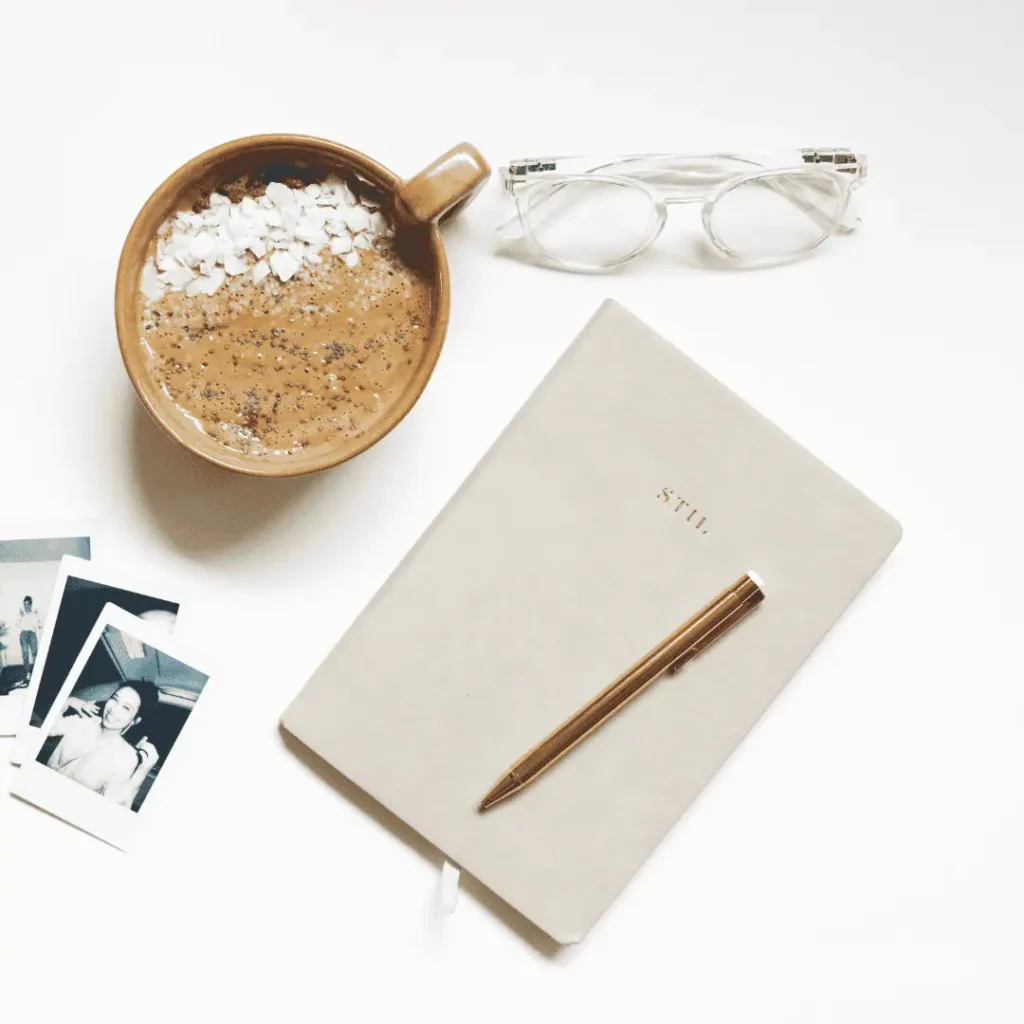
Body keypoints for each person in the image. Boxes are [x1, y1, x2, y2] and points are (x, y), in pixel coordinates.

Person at [43, 680, 161, 808]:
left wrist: (142, 771)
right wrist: (69, 701)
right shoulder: (84, 722)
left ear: (135, 720)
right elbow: (46, 728)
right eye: (114, 699)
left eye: (126, 708)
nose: (113, 709)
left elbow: (112, 806)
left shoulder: (126, 757)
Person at [16, 596, 43, 685]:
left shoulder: (34, 614)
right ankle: (28, 674)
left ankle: (36, 673)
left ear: (30, 604)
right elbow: (17, 625)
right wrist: (20, 617)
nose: (26, 606)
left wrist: (37, 620)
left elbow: (40, 626)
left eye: (27, 604)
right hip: (23, 634)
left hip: (32, 635)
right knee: (25, 655)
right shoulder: (21, 614)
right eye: (24, 604)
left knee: (35, 653)